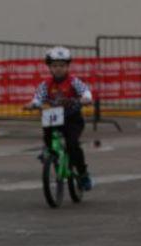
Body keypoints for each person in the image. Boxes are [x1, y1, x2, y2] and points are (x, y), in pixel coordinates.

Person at [25, 46, 95, 191]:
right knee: (48, 132)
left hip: (72, 118)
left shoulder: (73, 81)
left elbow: (85, 91)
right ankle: (49, 151)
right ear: (49, 67)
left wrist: (86, 99)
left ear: (68, 66)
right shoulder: (46, 84)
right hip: (54, 116)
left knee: (72, 144)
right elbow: (38, 98)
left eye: (62, 66)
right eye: (55, 66)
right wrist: (33, 104)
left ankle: (83, 174)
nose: (58, 69)